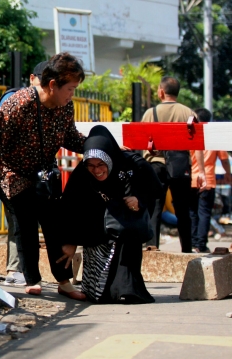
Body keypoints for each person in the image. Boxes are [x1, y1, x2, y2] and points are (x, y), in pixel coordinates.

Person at [0, 53, 87, 299]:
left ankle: (64, 281)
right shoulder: (19, 103)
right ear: (52, 85)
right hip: (13, 173)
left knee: (55, 226)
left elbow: (70, 137)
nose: (72, 95)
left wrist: (101, 146)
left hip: (44, 174)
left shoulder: (66, 107)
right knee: (26, 225)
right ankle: (31, 279)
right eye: (70, 89)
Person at [59, 125, 158, 304]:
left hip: (126, 227)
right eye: (91, 166)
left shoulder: (132, 164)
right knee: (97, 292)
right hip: (96, 232)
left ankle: (127, 291)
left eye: (101, 165)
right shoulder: (81, 174)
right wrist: (71, 240)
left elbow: (154, 187)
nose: (97, 171)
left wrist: (139, 200)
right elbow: (69, 207)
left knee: (126, 256)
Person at [0, 61, 49, 286]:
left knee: (17, 222)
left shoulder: (42, 107)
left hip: (12, 175)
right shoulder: (16, 103)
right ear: (32, 79)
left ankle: (13, 268)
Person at [141, 76, 207, 253]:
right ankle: (186, 249)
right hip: (180, 165)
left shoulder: (150, 113)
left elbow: (140, 142)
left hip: (155, 164)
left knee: (154, 207)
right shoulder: (189, 113)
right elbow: (197, 145)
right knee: (182, 209)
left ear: (161, 92)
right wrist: (201, 171)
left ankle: (151, 246)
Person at [189, 108, 232, 253]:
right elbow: (224, 159)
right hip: (208, 180)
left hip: (191, 179)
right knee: (204, 213)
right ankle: (200, 245)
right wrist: (228, 174)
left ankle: (193, 242)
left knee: (193, 213)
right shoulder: (214, 137)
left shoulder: (190, 134)